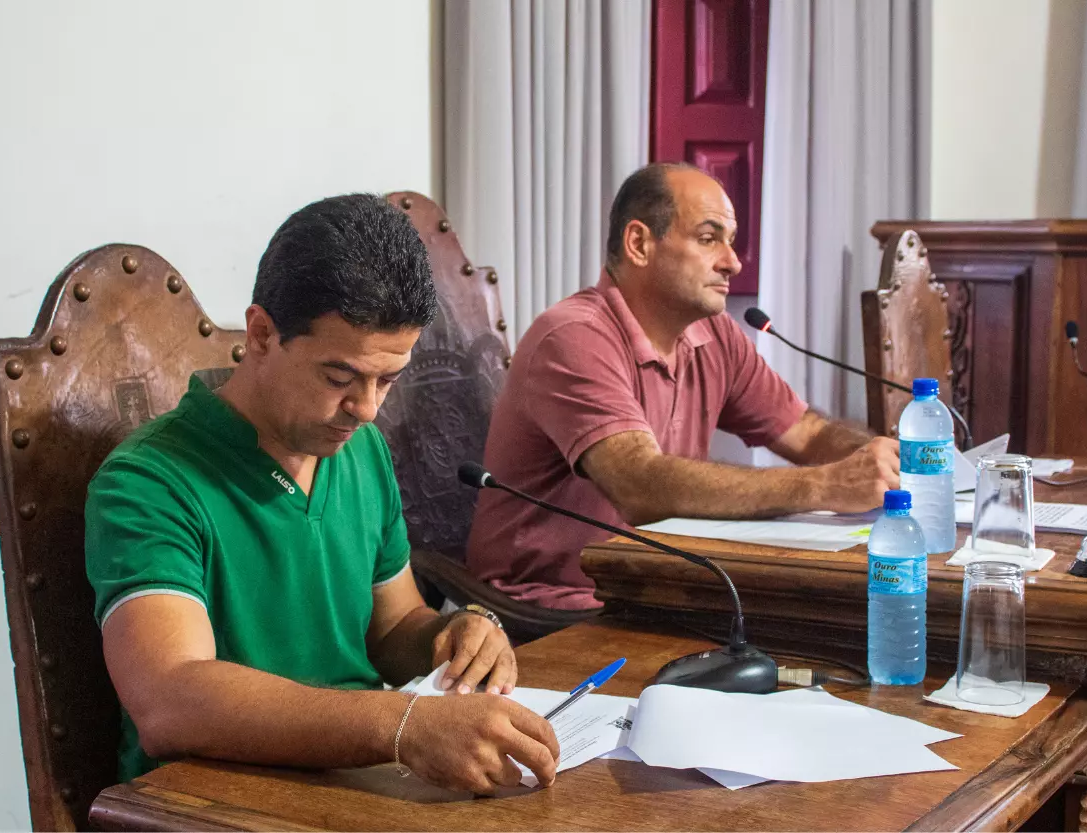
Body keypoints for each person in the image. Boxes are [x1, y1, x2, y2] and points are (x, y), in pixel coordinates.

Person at [86, 194, 559, 795]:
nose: (366, 409)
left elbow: (391, 632)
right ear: (261, 334)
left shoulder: (360, 451)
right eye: (340, 378)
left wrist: (455, 635)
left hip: (358, 779)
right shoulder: (150, 480)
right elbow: (170, 698)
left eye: (388, 379)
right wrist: (402, 725)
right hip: (213, 798)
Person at [466, 163, 900, 610]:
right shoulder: (574, 337)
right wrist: (821, 486)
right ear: (639, 244)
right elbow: (639, 485)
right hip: (551, 605)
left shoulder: (717, 334)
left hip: (659, 588)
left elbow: (806, 433)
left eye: (730, 242)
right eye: (709, 238)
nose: (732, 262)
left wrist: (886, 463)